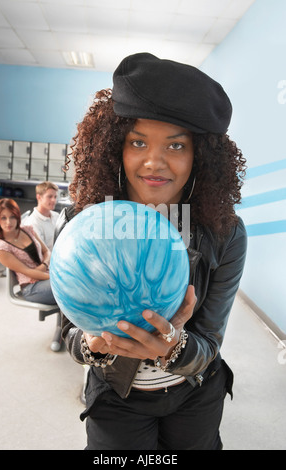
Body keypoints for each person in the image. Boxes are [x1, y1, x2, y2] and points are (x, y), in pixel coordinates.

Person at [55, 53, 247, 450]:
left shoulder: (224, 233)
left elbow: (209, 343)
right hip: (117, 396)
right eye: (137, 141)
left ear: (199, 157)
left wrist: (174, 349)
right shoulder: (82, 224)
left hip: (194, 393)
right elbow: (70, 333)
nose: (154, 162)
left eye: (176, 145)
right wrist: (92, 344)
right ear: (115, 148)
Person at [0, 198, 56, 305]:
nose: (8, 222)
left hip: (47, 274)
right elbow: (28, 272)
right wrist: (57, 278)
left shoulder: (27, 230)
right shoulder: (1, 248)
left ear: (17, 217)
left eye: (12, 217)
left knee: (78, 283)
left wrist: (44, 264)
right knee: (69, 286)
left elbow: (47, 252)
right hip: (32, 287)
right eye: (3, 218)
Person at [23, 181, 59, 251]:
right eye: (50, 196)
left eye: (55, 197)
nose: (54, 200)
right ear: (39, 197)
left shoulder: (56, 216)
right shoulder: (32, 223)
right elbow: (42, 252)